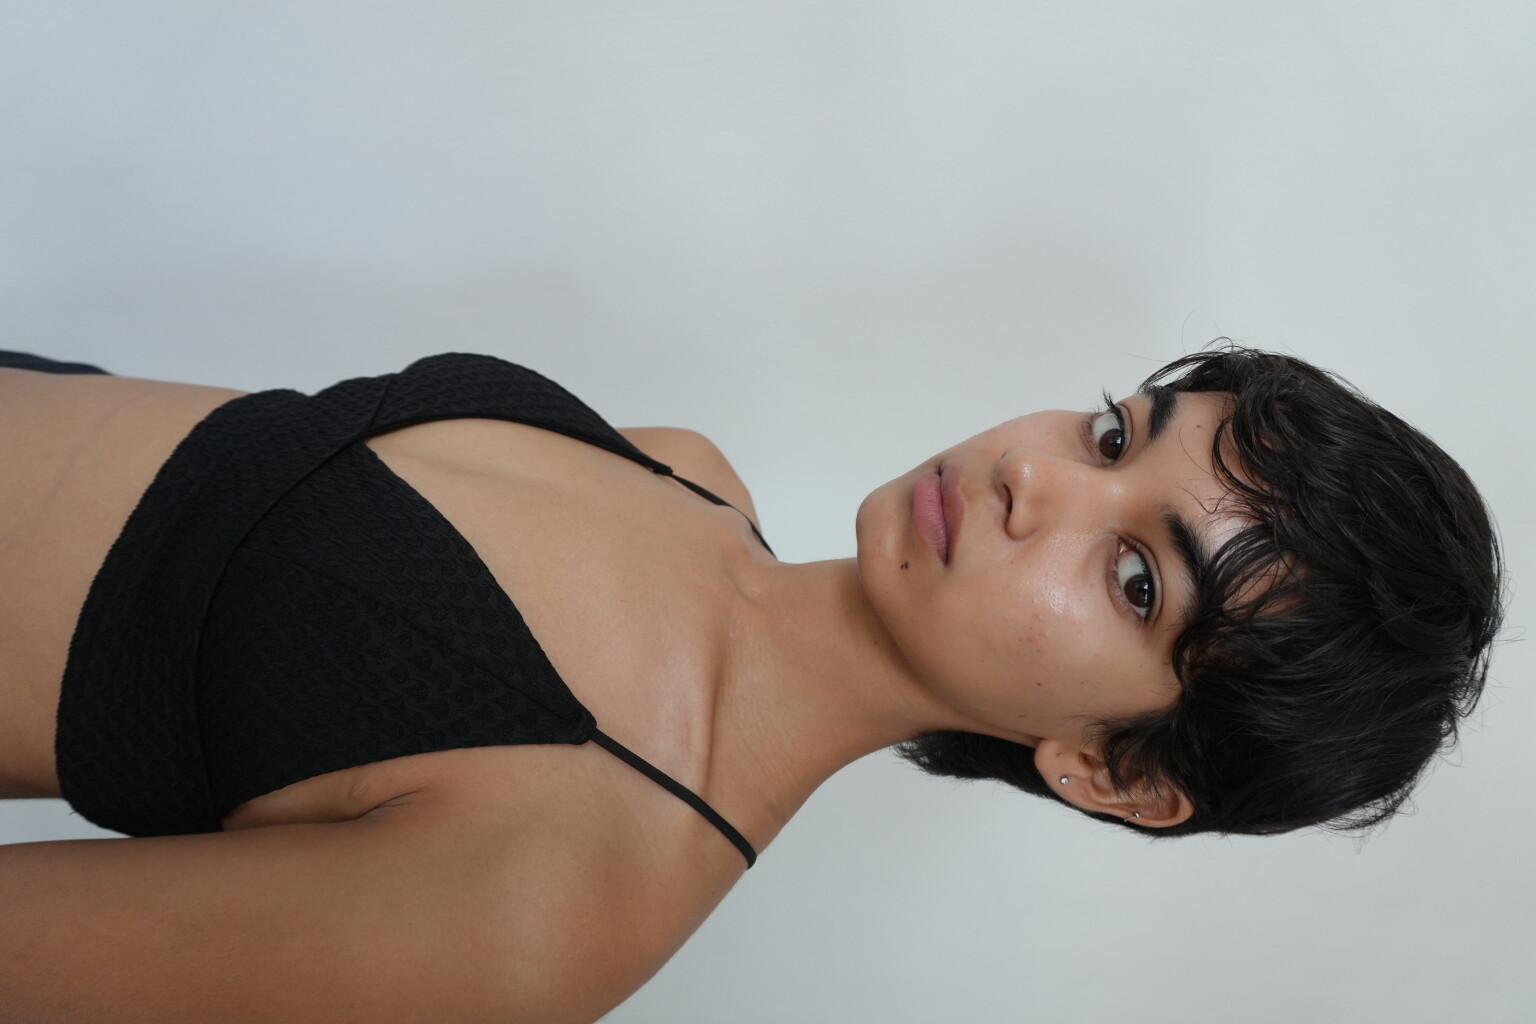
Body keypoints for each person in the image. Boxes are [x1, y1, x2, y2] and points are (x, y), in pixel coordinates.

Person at [0, 344, 1502, 1022]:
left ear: (1115, 768)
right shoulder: (684, 471)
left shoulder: (558, 900)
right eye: (1117, 435)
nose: (1036, 478)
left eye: (1136, 580)